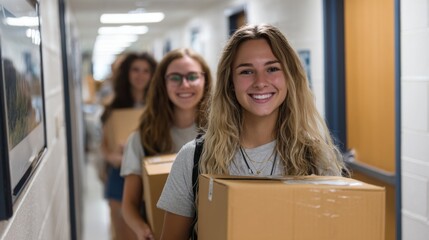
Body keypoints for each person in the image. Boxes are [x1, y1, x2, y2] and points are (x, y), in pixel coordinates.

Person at [156, 23, 348, 240]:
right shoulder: (194, 158)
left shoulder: (316, 158)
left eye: (272, 69)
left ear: (289, 76)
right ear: (230, 82)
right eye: (246, 71)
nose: (260, 82)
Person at [120, 48, 213, 240]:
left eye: (193, 76)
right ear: (163, 83)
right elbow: (129, 203)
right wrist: (142, 230)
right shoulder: (142, 139)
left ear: (205, 81)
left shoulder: (221, 135)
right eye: (175, 78)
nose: (184, 84)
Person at [100, 52, 158, 240]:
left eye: (146, 71)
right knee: (123, 233)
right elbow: (104, 145)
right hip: (120, 175)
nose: (140, 75)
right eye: (135, 70)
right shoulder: (113, 106)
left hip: (152, 173)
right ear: (127, 73)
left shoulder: (159, 105)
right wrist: (112, 157)